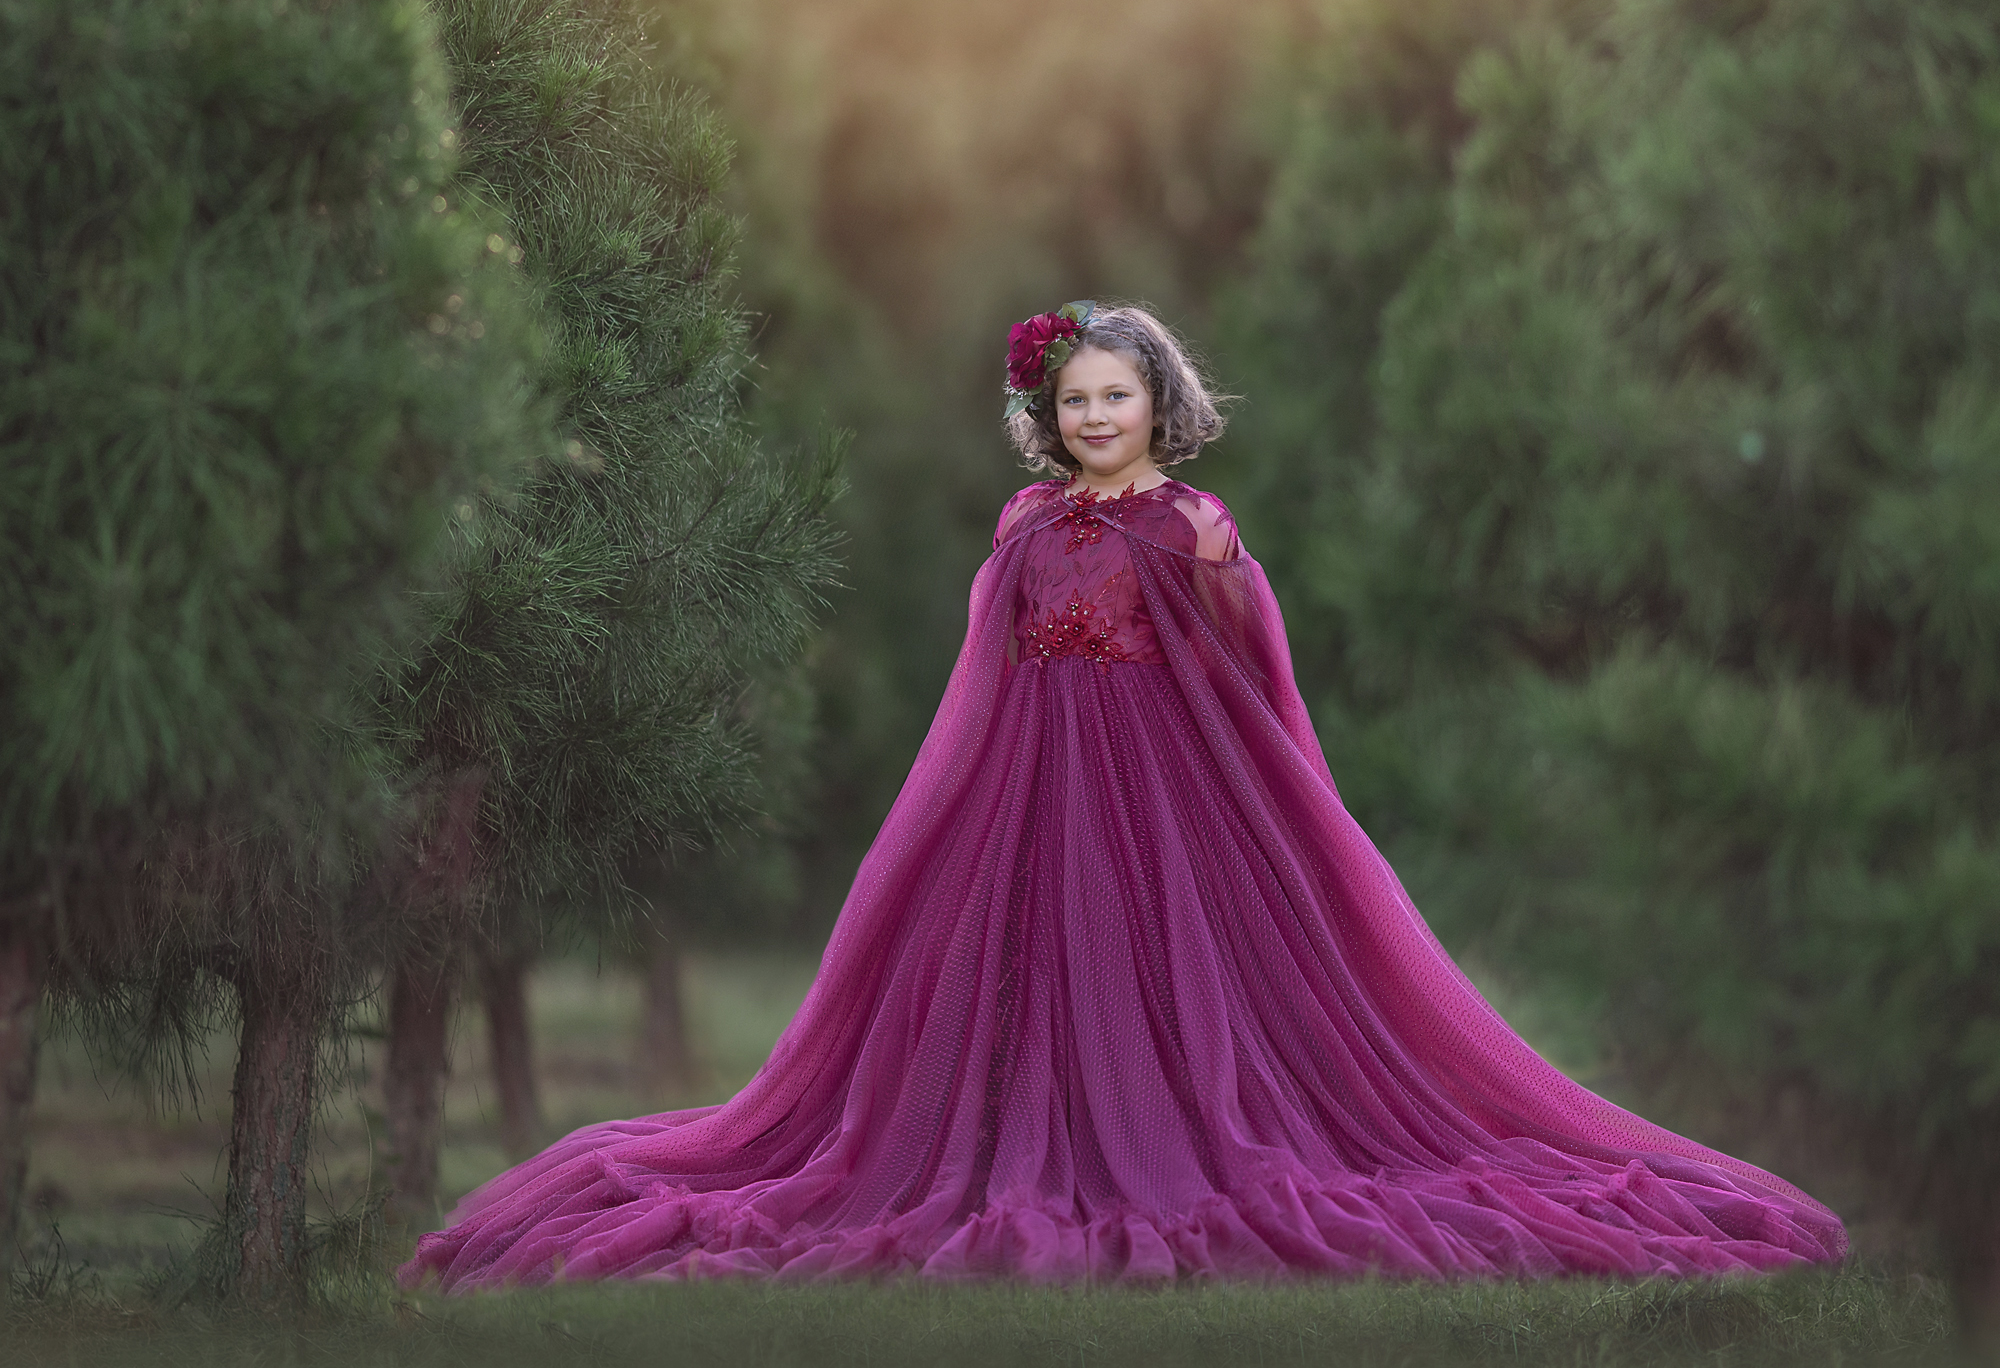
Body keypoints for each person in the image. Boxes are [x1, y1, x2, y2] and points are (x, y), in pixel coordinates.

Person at [400, 302, 1845, 1290]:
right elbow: (985, 669)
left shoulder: (1194, 527)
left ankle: (1172, 1142)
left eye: (1119, 395)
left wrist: (1278, 810)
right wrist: (946, 812)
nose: (1096, 415)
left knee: (1161, 984)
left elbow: (1251, 679)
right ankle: (1004, 1147)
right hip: (1029, 787)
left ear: (1164, 402)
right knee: (1021, 987)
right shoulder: (1026, 520)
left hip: (1165, 794)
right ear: (1050, 413)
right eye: (1074, 398)